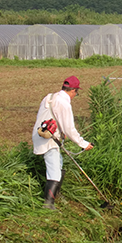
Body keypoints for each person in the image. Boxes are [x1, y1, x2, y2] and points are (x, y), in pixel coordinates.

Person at [32, 76, 93, 210]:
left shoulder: (49, 97)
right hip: (49, 140)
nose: (75, 95)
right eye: (76, 93)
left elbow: (45, 117)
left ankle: (56, 196)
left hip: (39, 134)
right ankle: (48, 205)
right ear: (73, 90)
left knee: (58, 164)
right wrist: (83, 144)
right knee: (55, 172)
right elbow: (70, 129)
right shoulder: (64, 104)